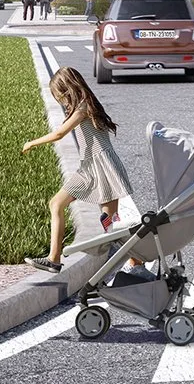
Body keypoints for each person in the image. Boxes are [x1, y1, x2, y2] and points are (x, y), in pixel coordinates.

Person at [21, 67, 133, 270]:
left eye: (60, 95)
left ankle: (138, 263)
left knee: (111, 226)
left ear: (68, 89)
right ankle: (53, 259)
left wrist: (32, 143)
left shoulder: (83, 106)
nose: (60, 100)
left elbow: (59, 134)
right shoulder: (80, 106)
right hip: (88, 167)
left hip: (102, 166)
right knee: (56, 204)